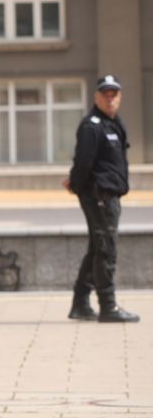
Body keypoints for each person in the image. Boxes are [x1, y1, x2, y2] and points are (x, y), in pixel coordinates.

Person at [65, 75, 139, 323]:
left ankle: (80, 304)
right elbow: (83, 162)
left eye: (114, 94)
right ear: (96, 97)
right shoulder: (92, 126)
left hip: (110, 195)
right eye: (105, 94)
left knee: (98, 248)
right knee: (106, 250)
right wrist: (76, 184)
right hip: (99, 196)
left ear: (119, 97)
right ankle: (108, 306)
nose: (110, 99)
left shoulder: (114, 123)